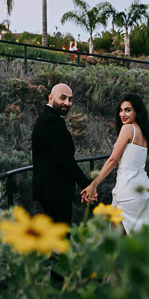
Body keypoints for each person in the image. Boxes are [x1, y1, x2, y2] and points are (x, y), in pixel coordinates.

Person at [81, 93, 149, 233]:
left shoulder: (128, 128)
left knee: (118, 243)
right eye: (121, 110)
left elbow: (113, 160)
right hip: (143, 189)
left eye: (128, 110)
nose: (122, 114)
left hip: (128, 189)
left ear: (137, 111)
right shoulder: (144, 132)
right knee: (138, 242)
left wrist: (93, 185)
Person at [31, 82, 92, 226]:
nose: (67, 103)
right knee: (62, 238)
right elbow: (65, 160)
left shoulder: (50, 117)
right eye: (63, 98)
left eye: (70, 99)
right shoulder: (51, 120)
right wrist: (87, 185)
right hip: (54, 191)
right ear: (50, 98)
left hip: (52, 190)